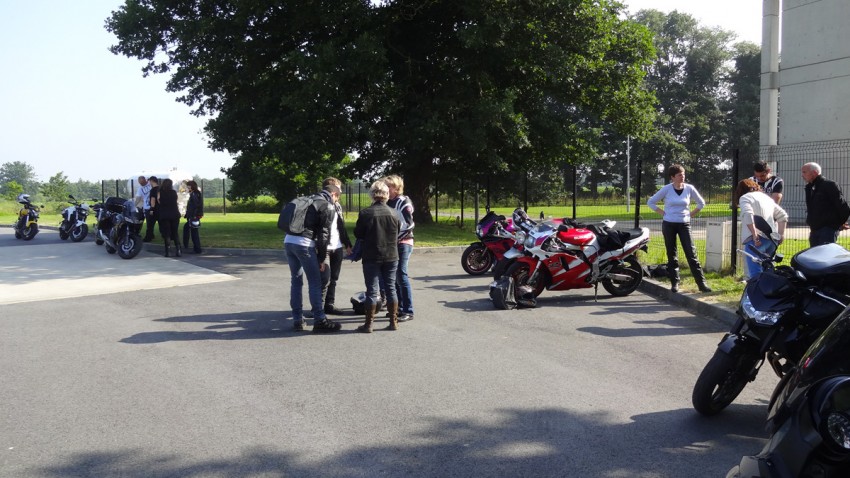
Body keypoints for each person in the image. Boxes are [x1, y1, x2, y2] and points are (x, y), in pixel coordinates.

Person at [284, 184, 342, 333]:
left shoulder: (306, 199)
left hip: (289, 241)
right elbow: (324, 236)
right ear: (334, 194)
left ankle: (297, 319)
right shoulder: (327, 206)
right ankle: (319, 319)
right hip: (304, 244)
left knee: (296, 281)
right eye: (338, 197)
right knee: (315, 282)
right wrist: (322, 258)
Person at [647, 164, 712, 293]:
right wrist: (663, 213)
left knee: (691, 254)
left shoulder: (689, 188)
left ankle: (701, 284)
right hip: (669, 224)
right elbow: (651, 202)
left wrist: (691, 214)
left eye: (683, 174)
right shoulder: (666, 189)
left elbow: (701, 203)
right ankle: (675, 282)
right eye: (679, 175)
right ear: (672, 177)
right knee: (672, 254)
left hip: (684, 224)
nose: (682, 176)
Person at [354, 180, 399, 333]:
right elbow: (397, 233)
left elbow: (358, 234)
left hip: (372, 255)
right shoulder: (394, 213)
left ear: (372, 195)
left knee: (372, 291)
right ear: (386, 195)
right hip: (392, 255)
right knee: (391, 288)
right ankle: (393, 321)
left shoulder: (366, 213)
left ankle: (368, 324)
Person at [734, 179, 788, 280]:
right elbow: (782, 215)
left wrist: (754, 234)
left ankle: (756, 293)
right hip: (772, 239)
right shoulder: (766, 198)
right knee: (768, 270)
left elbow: (748, 214)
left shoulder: (744, 198)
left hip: (755, 241)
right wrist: (781, 234)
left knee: (756, 275)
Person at [384, 175, 415, 321]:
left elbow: (408, 224)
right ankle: (398, 308)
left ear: (396, 188)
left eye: (388, 186)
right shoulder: (387, 202)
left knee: (401, 275)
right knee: (394, 277)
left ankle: (408, 311)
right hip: (392, 243)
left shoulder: (403, 202)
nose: (386, 189)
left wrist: (395, 237)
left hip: (404, 243)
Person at [320, 177, 353, 315]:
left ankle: (329, 305)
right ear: (332, 188)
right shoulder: (320, 204)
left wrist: (347, 244)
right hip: (325, 247)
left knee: (334, 278)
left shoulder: (337, 205)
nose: (341, 191)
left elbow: (341, 227)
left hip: (337, 246)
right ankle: (318, 308)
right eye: (339, 188)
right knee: (324, 279)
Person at [802, 162, 850, 247]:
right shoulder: (809, 188)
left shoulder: (829, 185)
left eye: (804, 172)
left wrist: (839, 223)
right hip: (814, 229)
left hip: (828, 229)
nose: (802, 175)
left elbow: (843, 206)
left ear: (814, 173)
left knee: (825, 255)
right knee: (814, 256)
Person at [157, 178, 181, 257]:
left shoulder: (160, 193)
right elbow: (175, 201)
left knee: (167, 234)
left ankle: (168, 251)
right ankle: (178, 250)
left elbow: (159, 201)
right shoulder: (174, 192)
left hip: (165, 215)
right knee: (175, 232)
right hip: (174, 214)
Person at [182, 180, 204, 254]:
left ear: (191, 187)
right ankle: (195, 248)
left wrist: (193, 215)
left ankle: (196, 248)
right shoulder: (195, 194)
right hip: (194, 216)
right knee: (192, 231)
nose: (187, 188)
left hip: (193, 216)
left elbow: (195, 206)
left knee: (193, 232)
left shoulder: (194, 194)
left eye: (188, 186)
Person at [134, 176, 154, 242]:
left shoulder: (150, 183)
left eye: (142, 183)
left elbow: (138, 198)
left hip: (151, 205)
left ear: (145, 180)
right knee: (149, 222)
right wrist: (135, 204)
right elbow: (138, 198)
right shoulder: (140, 189)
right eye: (140, 183)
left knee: (150, 223)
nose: (142, 184)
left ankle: (149, 237)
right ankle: (150, 235)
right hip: (147, 206)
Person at [145, 176, 160, 242]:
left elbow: (153, 200)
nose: (149, 183)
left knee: (150, 224)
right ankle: (167, 236)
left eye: (149, 181)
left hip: (155, 209)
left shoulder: (153, 190)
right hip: (160, 209)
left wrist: (151, 209)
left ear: (151, 181)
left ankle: (148, 237)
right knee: (162, 224)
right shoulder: (160, 189)